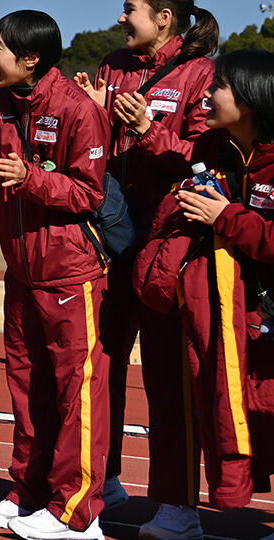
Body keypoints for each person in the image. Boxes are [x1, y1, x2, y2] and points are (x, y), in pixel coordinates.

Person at [0, 11, 109, 540]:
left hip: (71, 271)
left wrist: (31, 178)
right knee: (26, 386)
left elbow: (89, 193)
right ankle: (27, 491)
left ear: (31, 58)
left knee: (75, 390)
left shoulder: (77, 108)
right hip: (20, 268)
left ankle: (78, 513)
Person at [74, 0, 219, 524]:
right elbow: (92, 147)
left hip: (167, 243)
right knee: (99, 366)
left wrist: (148, 127)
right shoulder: (113, 64)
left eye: (129, 9)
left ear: (163, 18)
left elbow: (205, 159)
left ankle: (178, 506)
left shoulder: (202, 72)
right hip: (110, 238)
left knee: (167, 376)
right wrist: (91, 112)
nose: (119, 18)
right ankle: (102, 482)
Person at [134, 49, 274, 535]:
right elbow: (181, 157)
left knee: (265, 411)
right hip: (213, 306)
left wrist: (226, 218)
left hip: (261, 315)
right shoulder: (215, 147)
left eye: (220, 87)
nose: (208, 95)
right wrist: (145, 132)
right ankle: (177, 508)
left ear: (253, 99)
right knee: (184, 399)